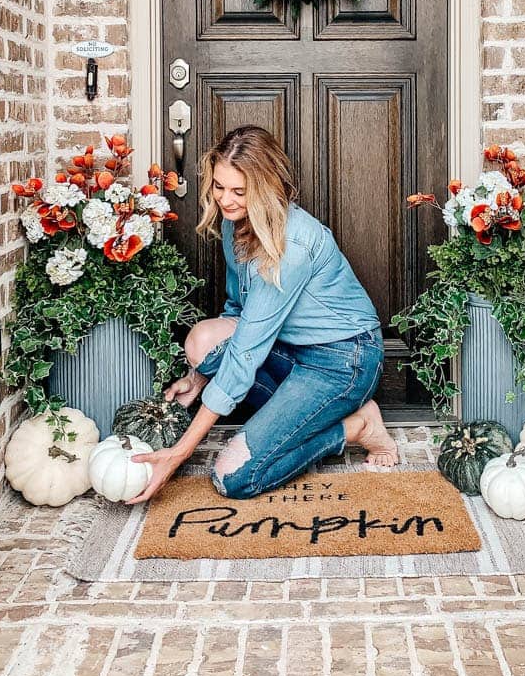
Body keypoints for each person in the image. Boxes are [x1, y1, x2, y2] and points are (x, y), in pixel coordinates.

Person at [126, 124, 399, 505]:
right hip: (287, 350)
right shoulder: (233, 223)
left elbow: (246, 352)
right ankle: (304, 415)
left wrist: (180, 452)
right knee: (202, 343)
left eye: (240, 191)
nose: (226, 200)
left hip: (343, 360)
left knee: (233, 478)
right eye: (219, 187)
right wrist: (199, 376)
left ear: (267, 187)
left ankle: (354, 426)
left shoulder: (291, 244)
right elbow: (239, 310)